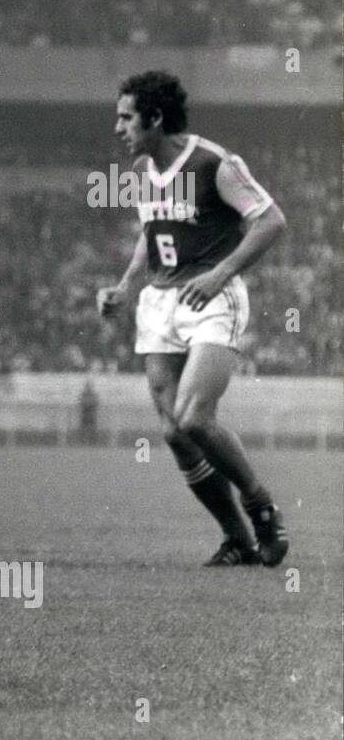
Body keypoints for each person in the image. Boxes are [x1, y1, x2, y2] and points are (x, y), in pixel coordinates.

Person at [98, 70, 289, 567]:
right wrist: (125, 285)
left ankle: (261, 507)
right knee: (173, 432)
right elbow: (151, 232)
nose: (118, 127)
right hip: (159, 304)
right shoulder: (142, 171)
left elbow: (271, 220)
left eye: (126, 117)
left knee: (194, 418)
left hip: (211, 297)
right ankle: (238, 540)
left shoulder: (213, 162)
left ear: (155, 118)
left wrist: (221, 273)